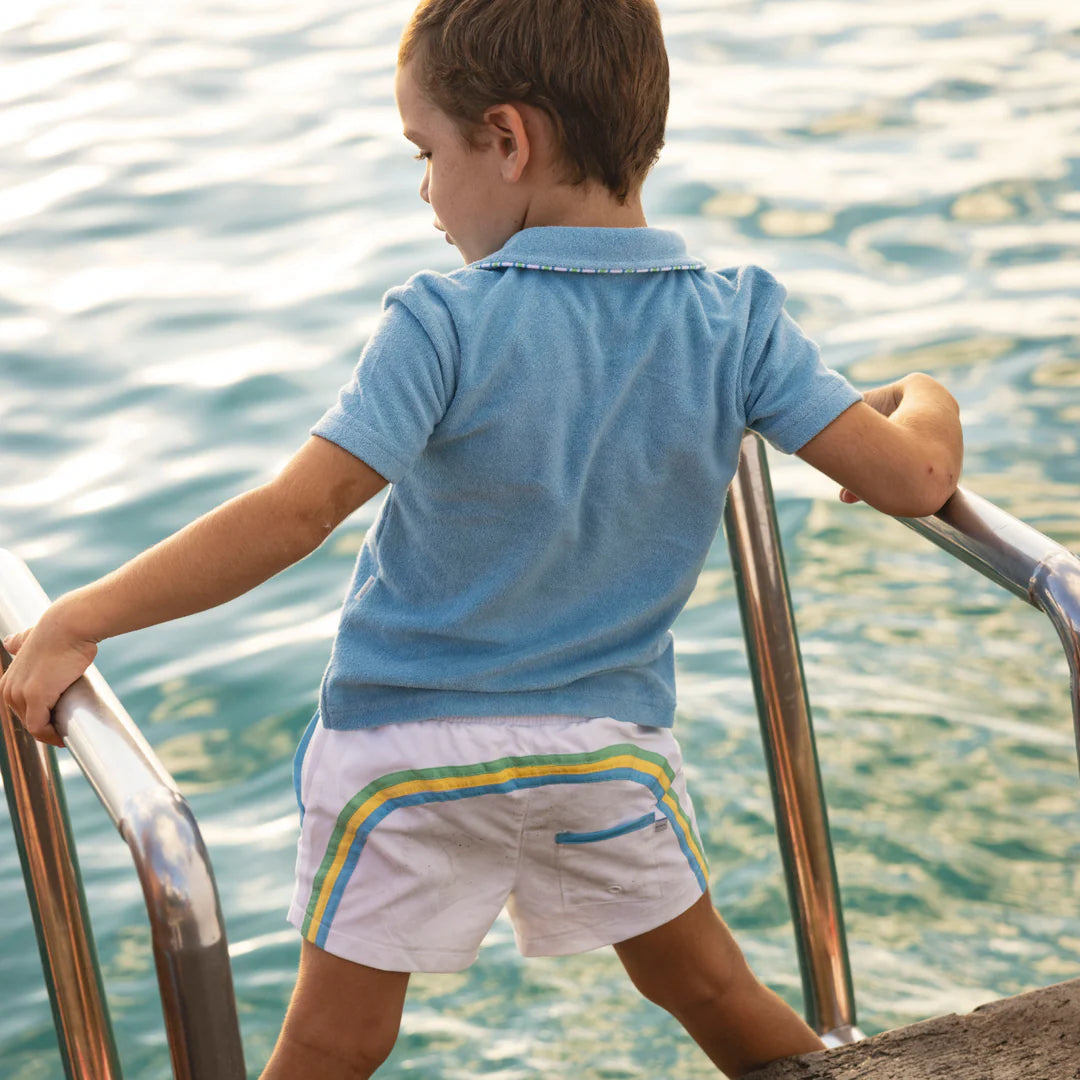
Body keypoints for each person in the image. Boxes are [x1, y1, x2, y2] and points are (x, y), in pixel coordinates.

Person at [0, 0, 963, 1076]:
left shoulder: (443, 320)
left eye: (427, 152)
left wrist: (82, 615)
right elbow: (917, 480)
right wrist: (923, 391)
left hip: (407, 755)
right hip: (604, 754)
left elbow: (293, 515)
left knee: (335, 1038)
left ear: (509, 141)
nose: (424, 192)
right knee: (709, 989)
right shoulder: (735, 320)